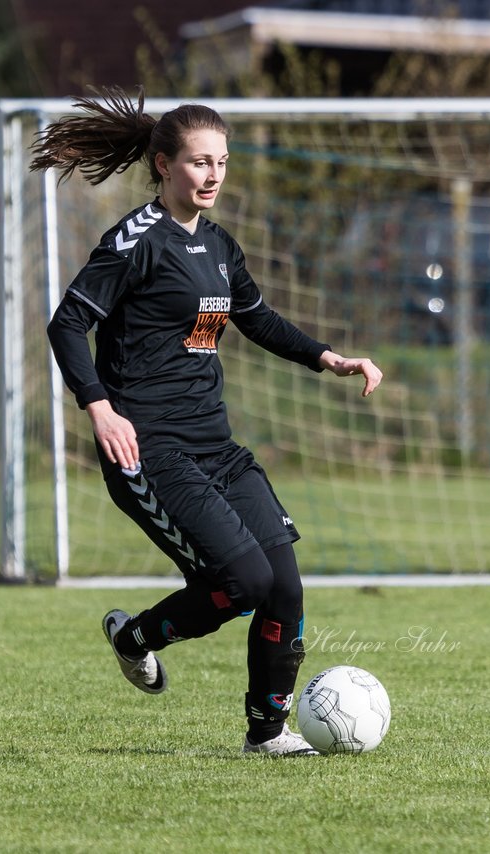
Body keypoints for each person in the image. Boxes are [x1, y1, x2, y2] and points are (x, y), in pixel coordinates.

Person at [32, 87, 383, 756]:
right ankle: (134, 639)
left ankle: (267, 734)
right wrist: (99, 405)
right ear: (163, 165)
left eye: (222, 161)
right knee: (241, 584)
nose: (213, 174)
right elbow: (67, 322)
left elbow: (256, 318)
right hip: (149, 450)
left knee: (283, 586)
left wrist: (328, 358)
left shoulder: (219, 244)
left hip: (215, 446)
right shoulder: (135, 240)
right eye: (199, 162)